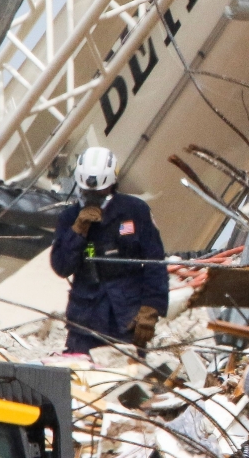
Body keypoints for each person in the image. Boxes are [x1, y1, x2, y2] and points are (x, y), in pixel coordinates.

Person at [50, 147, 168, 354]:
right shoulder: (69, 217)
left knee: (128, 377)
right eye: (88, 191)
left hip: (127, 317)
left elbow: (155, 263)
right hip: (86, 320)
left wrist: (151, 308)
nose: (93, 196)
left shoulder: (135, 210)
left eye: (99, 191)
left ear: (112, 184)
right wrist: (78, 231)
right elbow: (61, 267)